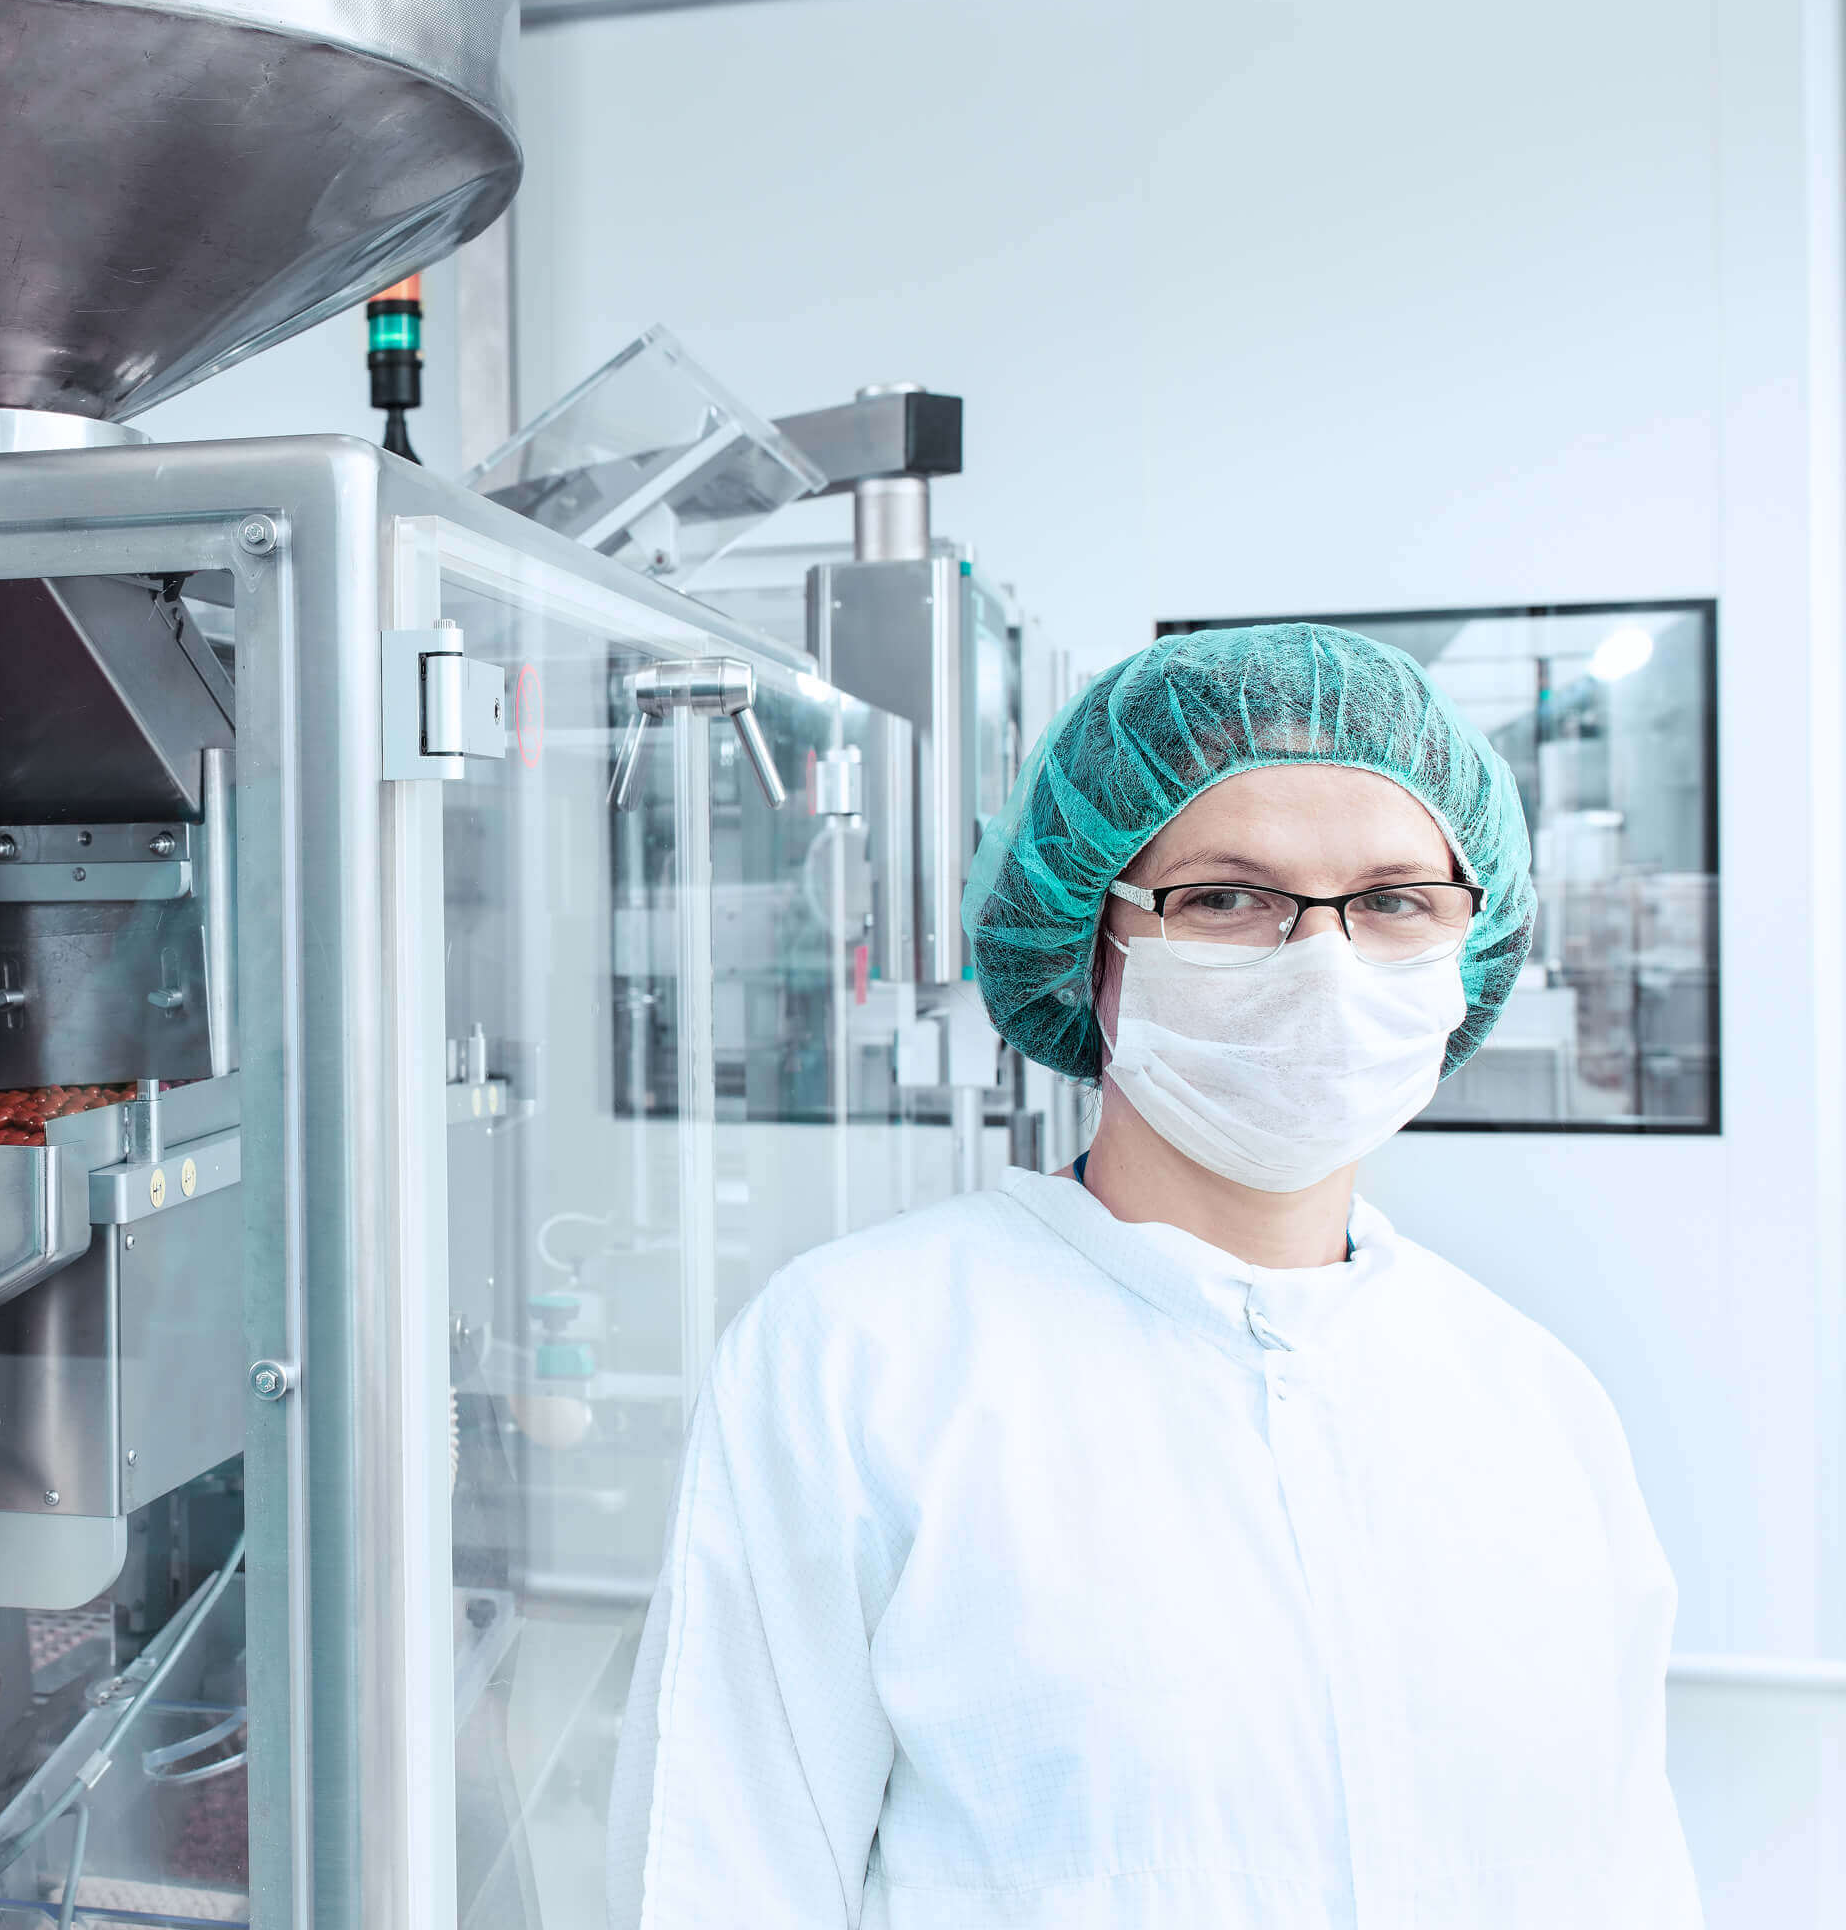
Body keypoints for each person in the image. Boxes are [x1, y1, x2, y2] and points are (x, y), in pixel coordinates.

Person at [607, 622, 1697, 1928]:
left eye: (1397, 900)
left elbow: (1628, 1880)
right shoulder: (856, 1364)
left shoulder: (1537, 1406)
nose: (1324, 964)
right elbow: (718, 1884)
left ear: (1471, 944)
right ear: (1090, 938)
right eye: (1228, 898)